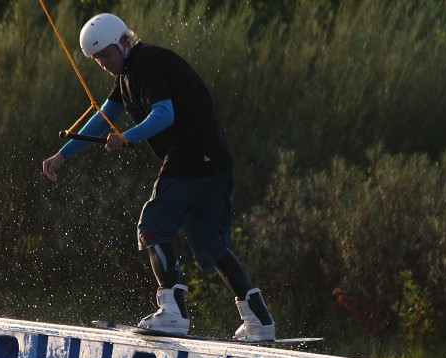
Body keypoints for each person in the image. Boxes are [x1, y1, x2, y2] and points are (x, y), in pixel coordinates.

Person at [42, 13, 275, 341]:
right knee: (210, 242)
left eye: (105, 55)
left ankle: (173, 312)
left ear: (124, 42)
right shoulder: (126, 76)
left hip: (192, 155)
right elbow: (102, 118)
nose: (103, 63)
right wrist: (61, 156)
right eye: (96, 60)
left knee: (153, 224)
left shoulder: (146, 64)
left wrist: (127, 137)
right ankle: (259, 319)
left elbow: (164, 114)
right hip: (214, 158)